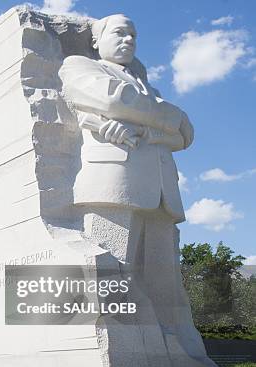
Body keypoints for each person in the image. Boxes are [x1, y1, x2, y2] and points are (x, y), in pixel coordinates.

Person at [58, 14, 195, 328]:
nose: (129, 40)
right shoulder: (80, 66)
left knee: (164, 288)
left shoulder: (151, 90)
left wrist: (146, 125)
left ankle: (171, 354)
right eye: (120, 33)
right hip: (114, 183)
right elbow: (115, 99)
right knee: (111, 274)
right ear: (97, 40)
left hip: (162, 192)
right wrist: (167, 116)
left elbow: (186, 134)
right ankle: (117, 341)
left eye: (133, 35)